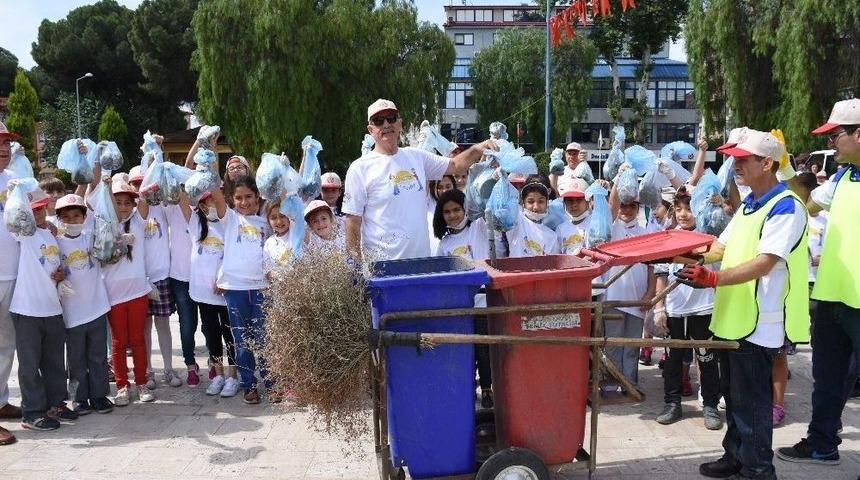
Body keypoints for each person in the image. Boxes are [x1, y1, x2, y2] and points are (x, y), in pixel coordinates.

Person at [681, 129, 809, 480]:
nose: (735, 165)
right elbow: (719, 248)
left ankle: (758, 470)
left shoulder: (785, 206)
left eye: (742, 159)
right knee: (735, 398)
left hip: (760, 324)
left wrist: (713, 279)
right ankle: (736, 457)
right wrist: (678, 253)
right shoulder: (750, 205)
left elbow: (765, 263)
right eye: (733, 159)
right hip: (734, 318)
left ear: (767, 163)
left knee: (752, 404)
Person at [778, 98, 860, 466]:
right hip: (831, 298)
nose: (830, 143)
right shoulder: (843, 178)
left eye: (835, 135)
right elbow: (804, 204)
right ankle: (822, 443)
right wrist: (784, 168)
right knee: (827, 380)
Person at [343, 98, 496, 263]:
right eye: (379, 121)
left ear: (400, 123)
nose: (386, 124)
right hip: (382, 268)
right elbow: (353, 222)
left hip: (421, 264)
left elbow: (456, 165)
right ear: (371, 129)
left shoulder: (417, 157)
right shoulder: (359, 168)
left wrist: (478, 149)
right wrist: (356, 267)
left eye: (391, 118)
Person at [652, 187, 722, 431]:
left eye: (689, 208)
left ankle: (710, 405)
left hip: (704, 308)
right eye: (679, 208)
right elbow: (661, 275)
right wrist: (659, 308)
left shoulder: (710, 238)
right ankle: (672, 404)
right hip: (674, 310)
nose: (683, 214)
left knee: (707, 359)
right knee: (673, 361)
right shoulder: (668, 237)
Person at [9, 188, 75, 431]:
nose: (37, 213)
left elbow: (55, 264)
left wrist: (61, 274)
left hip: (52, 307)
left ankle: (55, 403)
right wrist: (17, 190)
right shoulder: (22, 234)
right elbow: (12, 216)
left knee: (54, 362)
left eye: (40, 208)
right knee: (29, 364)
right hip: (27, 309)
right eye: (32, 210)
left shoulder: (51, 233)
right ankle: (32, 412)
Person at [213, 177, 273, 405]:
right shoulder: (229, 219)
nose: (244, 202)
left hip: (262, 288)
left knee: (265, 338)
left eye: (249, 196)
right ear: (231, 200)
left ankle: (272, 383)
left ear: (258, 197)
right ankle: (249, 385)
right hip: (236, 289)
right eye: (238, 198)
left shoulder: (267, 222)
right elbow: (216, 194)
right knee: (242, 340)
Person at [54, 193, 114, 415]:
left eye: (76, 216)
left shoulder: (91, 238)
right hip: (72, 312)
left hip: (97, 307)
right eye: (66, 217)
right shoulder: (55, 242)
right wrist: (58, 278)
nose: (72, 221)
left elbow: (109, 237)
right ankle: (78, 398)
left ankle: (99, 395)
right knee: (76, 359)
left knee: (98, 356)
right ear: (59, 219)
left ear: (84, 217)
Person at [128, 165, 182, 389]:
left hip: (161, 276)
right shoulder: (128, 214)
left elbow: (176, 198)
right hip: (139, 279)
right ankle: (148, 371)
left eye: (145, 184)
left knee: (163, 325)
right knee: (144, 328)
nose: (142, 188)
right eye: (137, 184)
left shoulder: (161, 208)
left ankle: (168, 369)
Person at [103, 174, 154, 406]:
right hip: (113, 294)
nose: (123, 207)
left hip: (137, 292)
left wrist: (153, 159)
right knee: (118, 341)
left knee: (137, 339)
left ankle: (141, 382)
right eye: (118, 202)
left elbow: (143, 200)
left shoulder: (138, 221)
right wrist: (105, 186)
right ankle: (122, 385)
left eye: (127, 202)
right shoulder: (103, 224)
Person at [185, 191, 239, 397]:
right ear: (201, 206)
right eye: (209, 203)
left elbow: (234, 255)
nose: (213, 206)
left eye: (216, 201)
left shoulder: (230, 223)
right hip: (203, 293)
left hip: (225, 291)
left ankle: (233, 376)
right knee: (211, 334)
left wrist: (223, 278)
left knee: (229, 334)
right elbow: (181, 197)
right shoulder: (195, 223)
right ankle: (218, 374)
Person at [0, 121, 24, 445]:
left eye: (6, 143)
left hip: (13, 274)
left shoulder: (14, 181)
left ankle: (1, 400)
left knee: (6, 344)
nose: (3, 148)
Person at [502, 175, 560, 258]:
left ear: (547, 202)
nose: (536, 207)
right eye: (530, 202)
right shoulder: (516, 219)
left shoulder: (552, 236)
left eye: (541, 201)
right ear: (523, 203)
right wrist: (500, 181)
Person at [555, 178, 591, 255]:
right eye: (569, 200)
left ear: (588, 201)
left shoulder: (595, 223)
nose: (574, 204)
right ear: (564, 203)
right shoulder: (561, 229)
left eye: (579, 199)